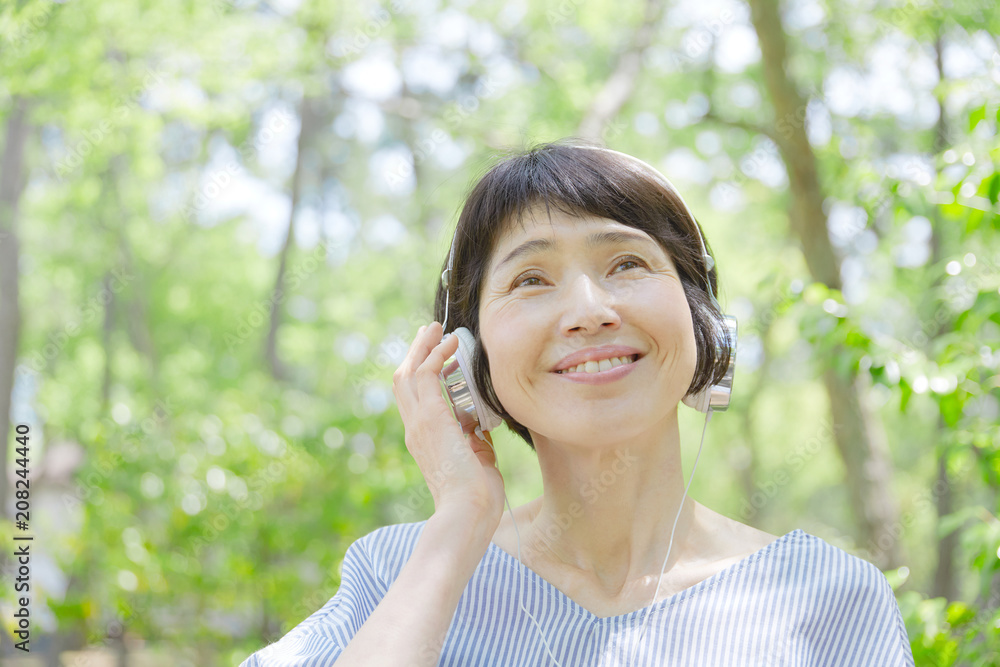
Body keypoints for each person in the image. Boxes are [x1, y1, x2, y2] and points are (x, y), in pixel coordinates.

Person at [240, 139, 915, 666]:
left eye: (627, 263)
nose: (589, 312)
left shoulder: (827, 598)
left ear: (702, 321)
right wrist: (459, 523)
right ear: (468, 362)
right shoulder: (398, 574)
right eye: (531, 278)